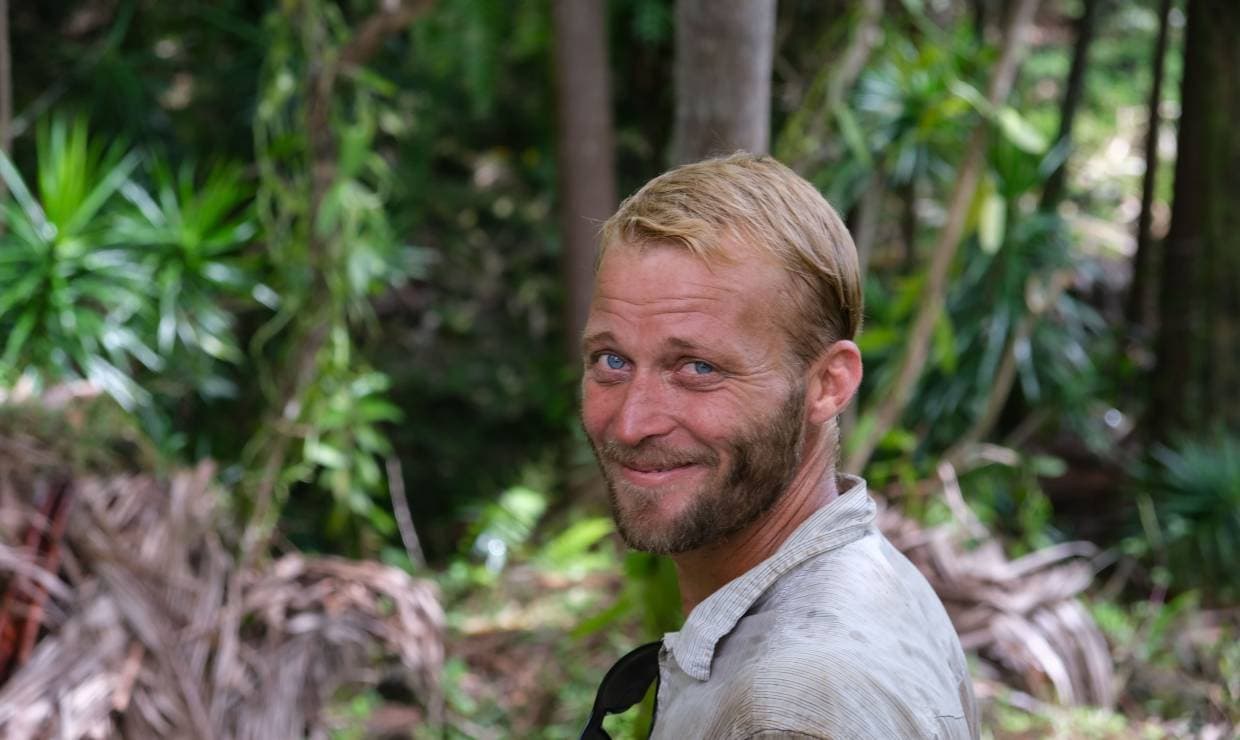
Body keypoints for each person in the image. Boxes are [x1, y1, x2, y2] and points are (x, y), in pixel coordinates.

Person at [578, 153, 978, 739]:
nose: (631, 423)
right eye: (611, 361)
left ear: (827, 385)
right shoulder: (871, 577)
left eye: (697, 368)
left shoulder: (797, 705)